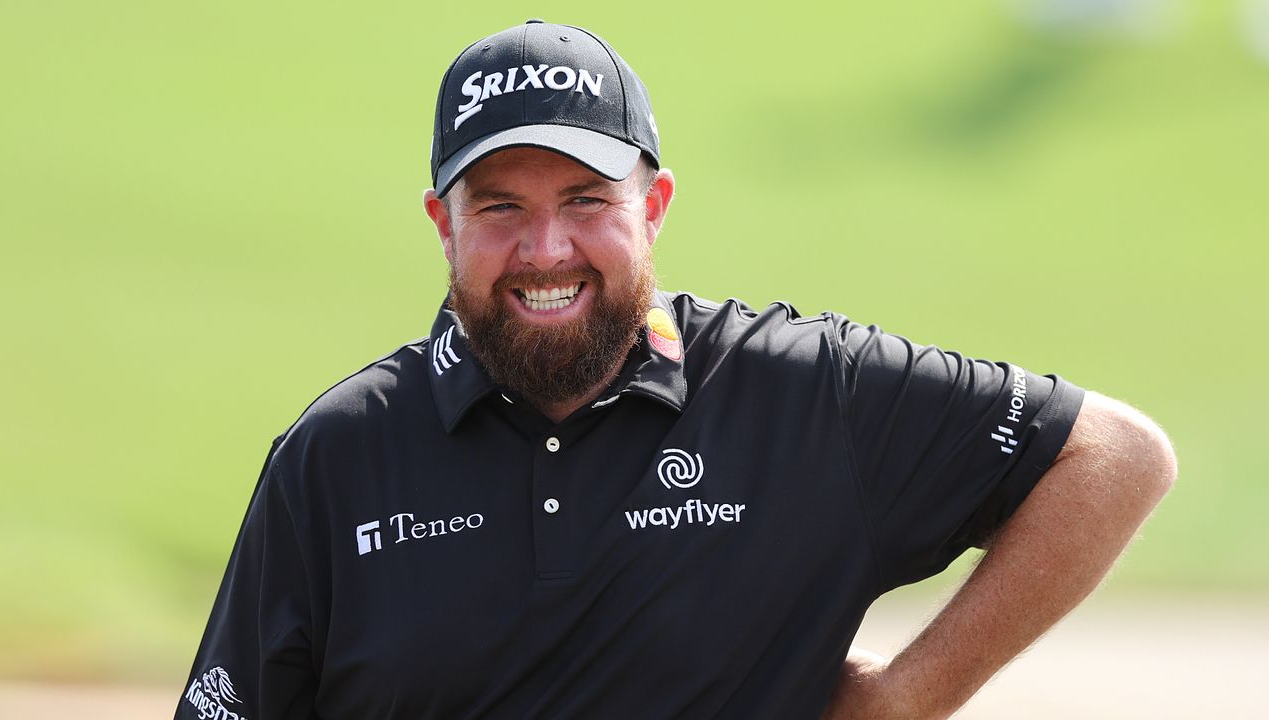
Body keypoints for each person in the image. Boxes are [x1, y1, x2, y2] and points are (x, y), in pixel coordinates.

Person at [176, 19, 1175, 720]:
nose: (545, 249)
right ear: (443, 224)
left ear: (651, 207)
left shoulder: (800, 395)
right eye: (499, 208)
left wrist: (904, 697)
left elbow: (1113, 456)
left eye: (584, 200)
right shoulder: (336, 458)